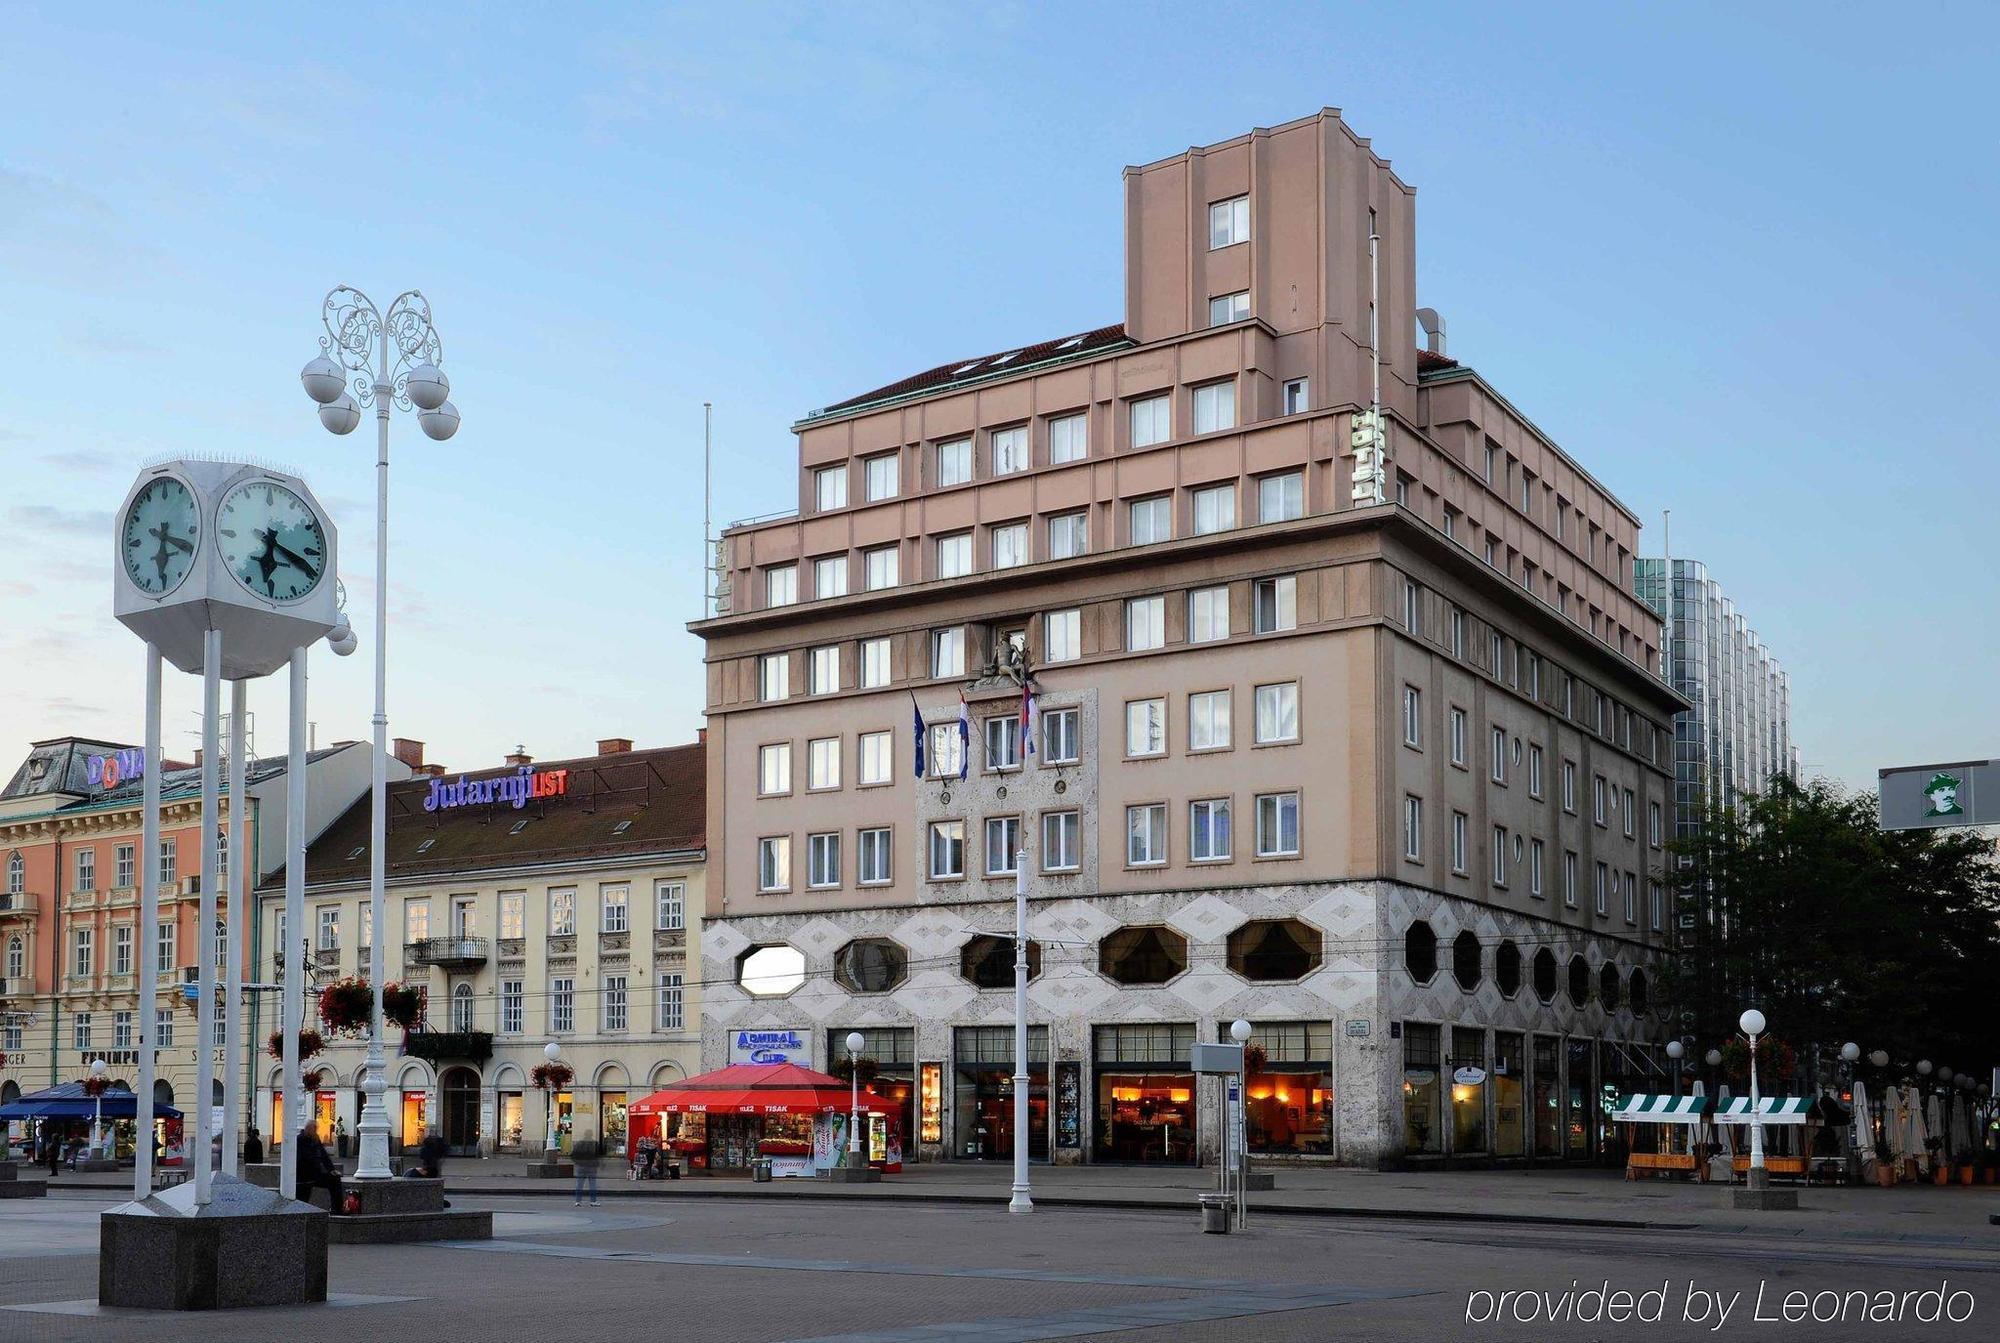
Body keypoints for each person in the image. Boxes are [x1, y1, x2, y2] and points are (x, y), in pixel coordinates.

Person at [295, 1124, 345, 1213]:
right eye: (313, 1129)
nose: (315, 1131)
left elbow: (324, 1155)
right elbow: (301, 1159)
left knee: (335, 1180)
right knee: (303, 1194)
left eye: (315, 1129)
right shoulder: (299, 1140)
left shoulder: (315, 1139)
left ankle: (337, 1209)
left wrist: (331, 1170)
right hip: (303, 1176)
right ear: (307, 1130)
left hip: (315, 1174)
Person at [572, 1126, 602, 1207]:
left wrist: (578, 1162)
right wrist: (597, 1163)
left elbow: (573, 1155)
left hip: (581, 1166)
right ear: (591, 1135)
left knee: (579, 1184)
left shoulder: (579, 1143)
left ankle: (578, 1201)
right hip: (591, 1166)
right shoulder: (594, 1143)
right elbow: (598, 1155)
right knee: (592, 1184)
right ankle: (593, 1201)